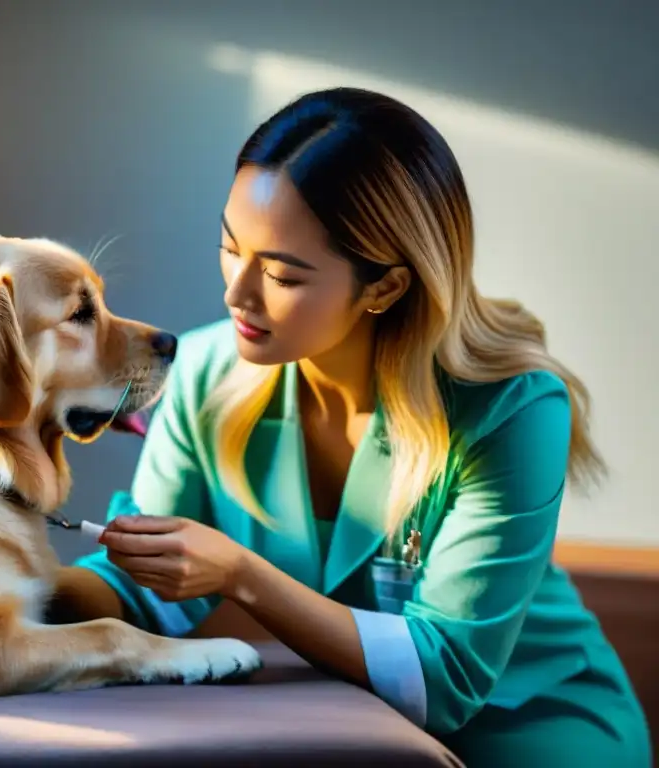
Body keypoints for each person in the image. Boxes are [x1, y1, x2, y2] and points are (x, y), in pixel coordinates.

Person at [50, 87, 652, 767]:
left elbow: (446, 678)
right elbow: (142, 585)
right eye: (229, 246)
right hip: (348, 729)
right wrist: (0, 589)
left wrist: (243, 576)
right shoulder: (203, 374)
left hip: (529, 730)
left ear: (385, 287)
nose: (237, 292)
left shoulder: (513, 409)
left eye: (280, 272)